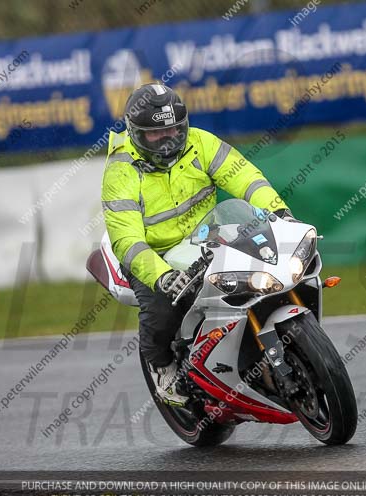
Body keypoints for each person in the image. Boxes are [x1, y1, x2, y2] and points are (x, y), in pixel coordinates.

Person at [101, 83, 293, 405]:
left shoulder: (201, 143)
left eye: (174, 130)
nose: (168, 139)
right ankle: (161, 364)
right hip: (156, 254)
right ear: (135, 133)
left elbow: (246, 178)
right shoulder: (120, 173)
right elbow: (127, 238)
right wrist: (161, 276)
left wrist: (279, 212)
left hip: (207, 236)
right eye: (156, 134)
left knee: (263, 265)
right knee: (162, 309)